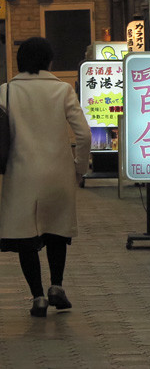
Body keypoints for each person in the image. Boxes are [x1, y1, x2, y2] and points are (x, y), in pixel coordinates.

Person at [0, 37, 91, 317]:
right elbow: (84, 134)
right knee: (56, 231)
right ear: (49, 60)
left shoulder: (5, 92)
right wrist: (80, 167)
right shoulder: (62, 90)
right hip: (58, 173)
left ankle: (38, 296)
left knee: (26, 236)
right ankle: (56, 286)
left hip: (20, 174)